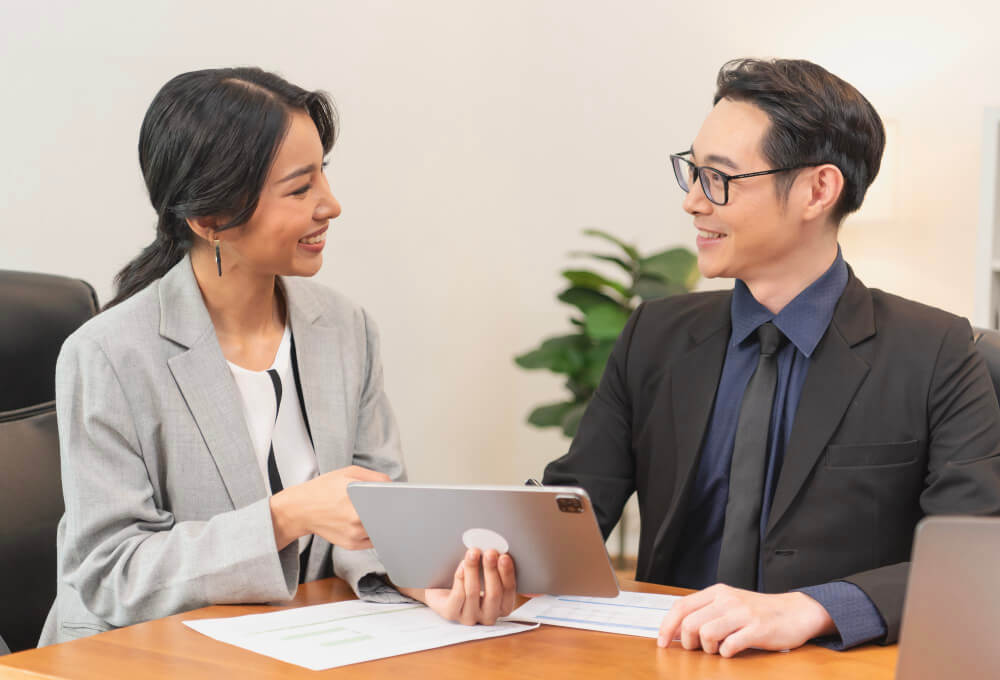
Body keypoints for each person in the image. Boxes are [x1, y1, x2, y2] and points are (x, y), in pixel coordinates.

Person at [39, 67, 514, 646]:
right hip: (142, 655)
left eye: (324, 177)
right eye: (300, 188)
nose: (331, 206)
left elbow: (373, 516)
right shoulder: (107, 355)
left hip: (306, 643)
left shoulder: (345, 328)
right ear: (212, 219)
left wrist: (419, 581)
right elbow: (111, 575)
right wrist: (287, 516)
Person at [543, 58, 1000, 657]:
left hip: (826, 665)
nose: (693, 204)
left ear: (818, 189)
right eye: (692, 173)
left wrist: (813, 608)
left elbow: (978, 556)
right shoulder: (654, 333)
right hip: (665, 656)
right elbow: (575, 503)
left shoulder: (937, 350)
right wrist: (489, 562)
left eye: (721, 179)